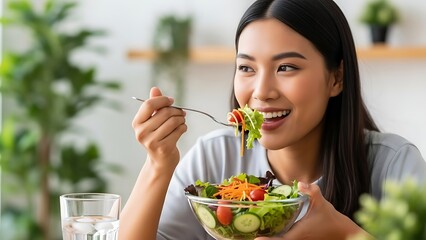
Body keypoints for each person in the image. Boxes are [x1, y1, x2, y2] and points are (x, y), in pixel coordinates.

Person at [119, 0, 426, 239]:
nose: (261, 92)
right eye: (247, 68)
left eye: (286, 68)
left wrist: (345, 234)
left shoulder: (394, 165)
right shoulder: (214, 157)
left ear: (337, 78)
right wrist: (158, 164)